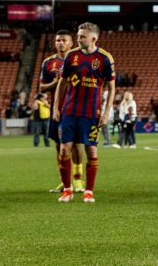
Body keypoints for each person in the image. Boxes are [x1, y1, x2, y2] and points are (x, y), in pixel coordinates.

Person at [52, 22, 116, 203]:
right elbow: (62, 83)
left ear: (93, 38)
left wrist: (105, 113)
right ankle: (67, 190)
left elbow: (112, 88)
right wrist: (56, 107)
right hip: (70, 111)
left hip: (91, 113)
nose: (78, 39)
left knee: (92, 151)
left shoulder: (105, 58)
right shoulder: (71, 56)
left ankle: (89, 191)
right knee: (64, 149)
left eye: (82, 37)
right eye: (78, 36)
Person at [40, 30, 83, 193]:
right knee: (59, 145)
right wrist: (56, 82)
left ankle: (78, 179)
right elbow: (42, 87)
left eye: (64, 40)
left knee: (77, 144)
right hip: (57, 110)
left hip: (76, 109)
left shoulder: (79, 60)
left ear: (71, 43)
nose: (61, 43)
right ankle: (65, 181)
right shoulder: (48, 63)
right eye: (58, 40)